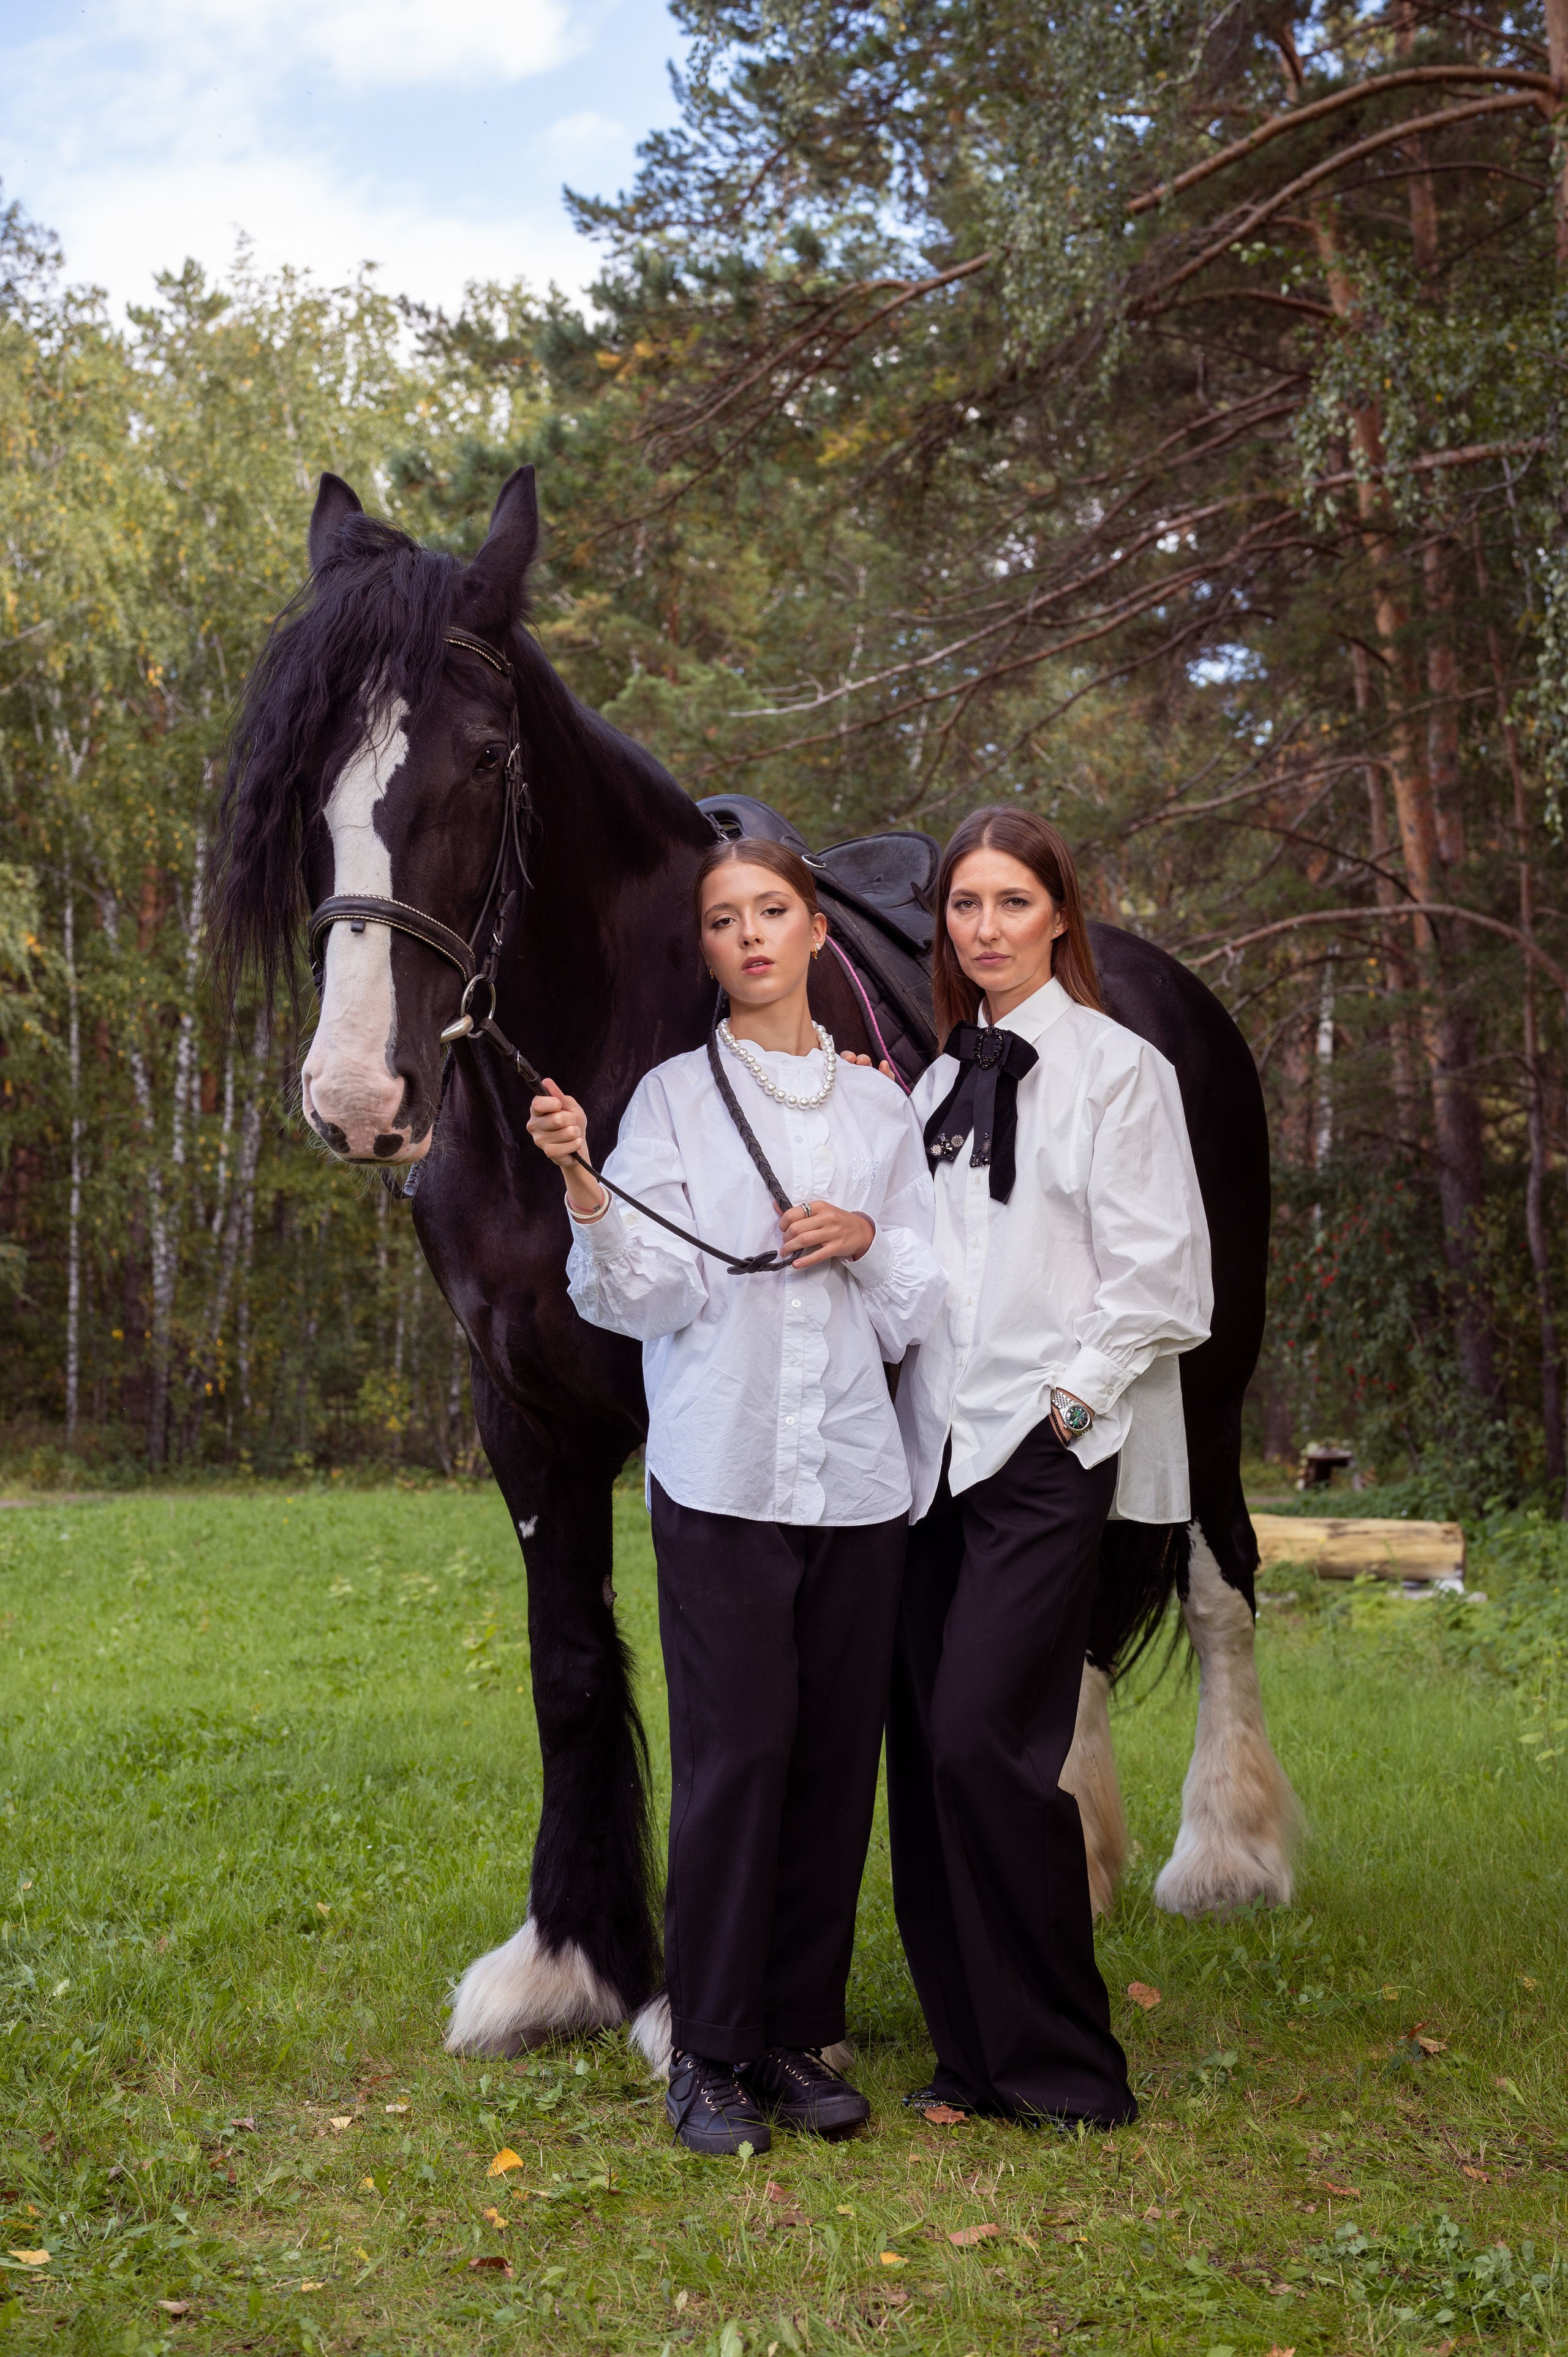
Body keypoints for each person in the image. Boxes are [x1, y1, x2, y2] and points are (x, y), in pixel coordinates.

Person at [526, 837, 946, 2157]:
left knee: (830, 1764)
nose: (750, 935)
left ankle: (788, 2032)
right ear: (703, 947)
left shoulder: (885, 1112)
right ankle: (705, 2048)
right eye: (723, 919)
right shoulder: (668, 1102)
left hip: (859, 1482)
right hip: (719, 1475)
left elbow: (928, 1302)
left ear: (817, 930)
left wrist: (867, 1240)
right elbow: (641, 1294)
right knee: (737, 1755)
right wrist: (587, 1183)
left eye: (772, 911)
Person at [888, 807, 1213, 2131]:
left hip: (1041, 1451)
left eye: (1010, 903)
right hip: (929, 1467)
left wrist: (1065, 1420)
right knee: (924, 1755)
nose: (985, 929)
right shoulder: (931, 1085)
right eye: (964, 906)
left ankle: (1064, 2068)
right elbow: (924, 1278)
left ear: (1058, 914)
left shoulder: (1118, 1071)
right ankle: (968, 2057)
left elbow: (1161, 1281)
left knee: (986, 1742)